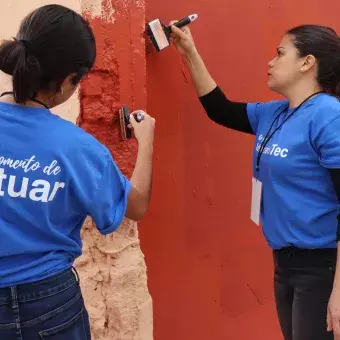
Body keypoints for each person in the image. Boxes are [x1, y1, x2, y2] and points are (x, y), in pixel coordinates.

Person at [170, 21, 340, 340]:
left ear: (307, 62)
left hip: (322, 266)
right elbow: (220, 109)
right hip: (285, 262)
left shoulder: (328, 116)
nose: (270, 61)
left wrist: (339, 291)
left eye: (280, 53)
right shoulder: (274, 114)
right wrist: (189, 52)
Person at [0, 4, 155, 340]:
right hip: (48, 303)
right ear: (70, 80)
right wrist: (147, 142)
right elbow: (137, 205)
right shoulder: (78, 148)